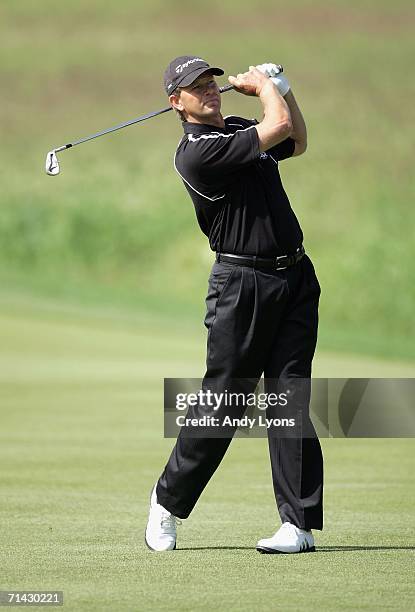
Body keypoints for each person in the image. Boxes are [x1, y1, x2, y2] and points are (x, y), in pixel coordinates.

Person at [145, 55, 323, 554]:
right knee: (224, 402)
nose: (209, 89)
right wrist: (266, 87)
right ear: (175, 103)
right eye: (194, 86)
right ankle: (167, 501)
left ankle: (298, 525)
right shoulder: (196, 152)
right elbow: (279, 124)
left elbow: (297, 138)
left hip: (294, 278)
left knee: (290, 401)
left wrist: (281, 88)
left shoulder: (243, 128)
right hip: (241, 284)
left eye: (211, 81)